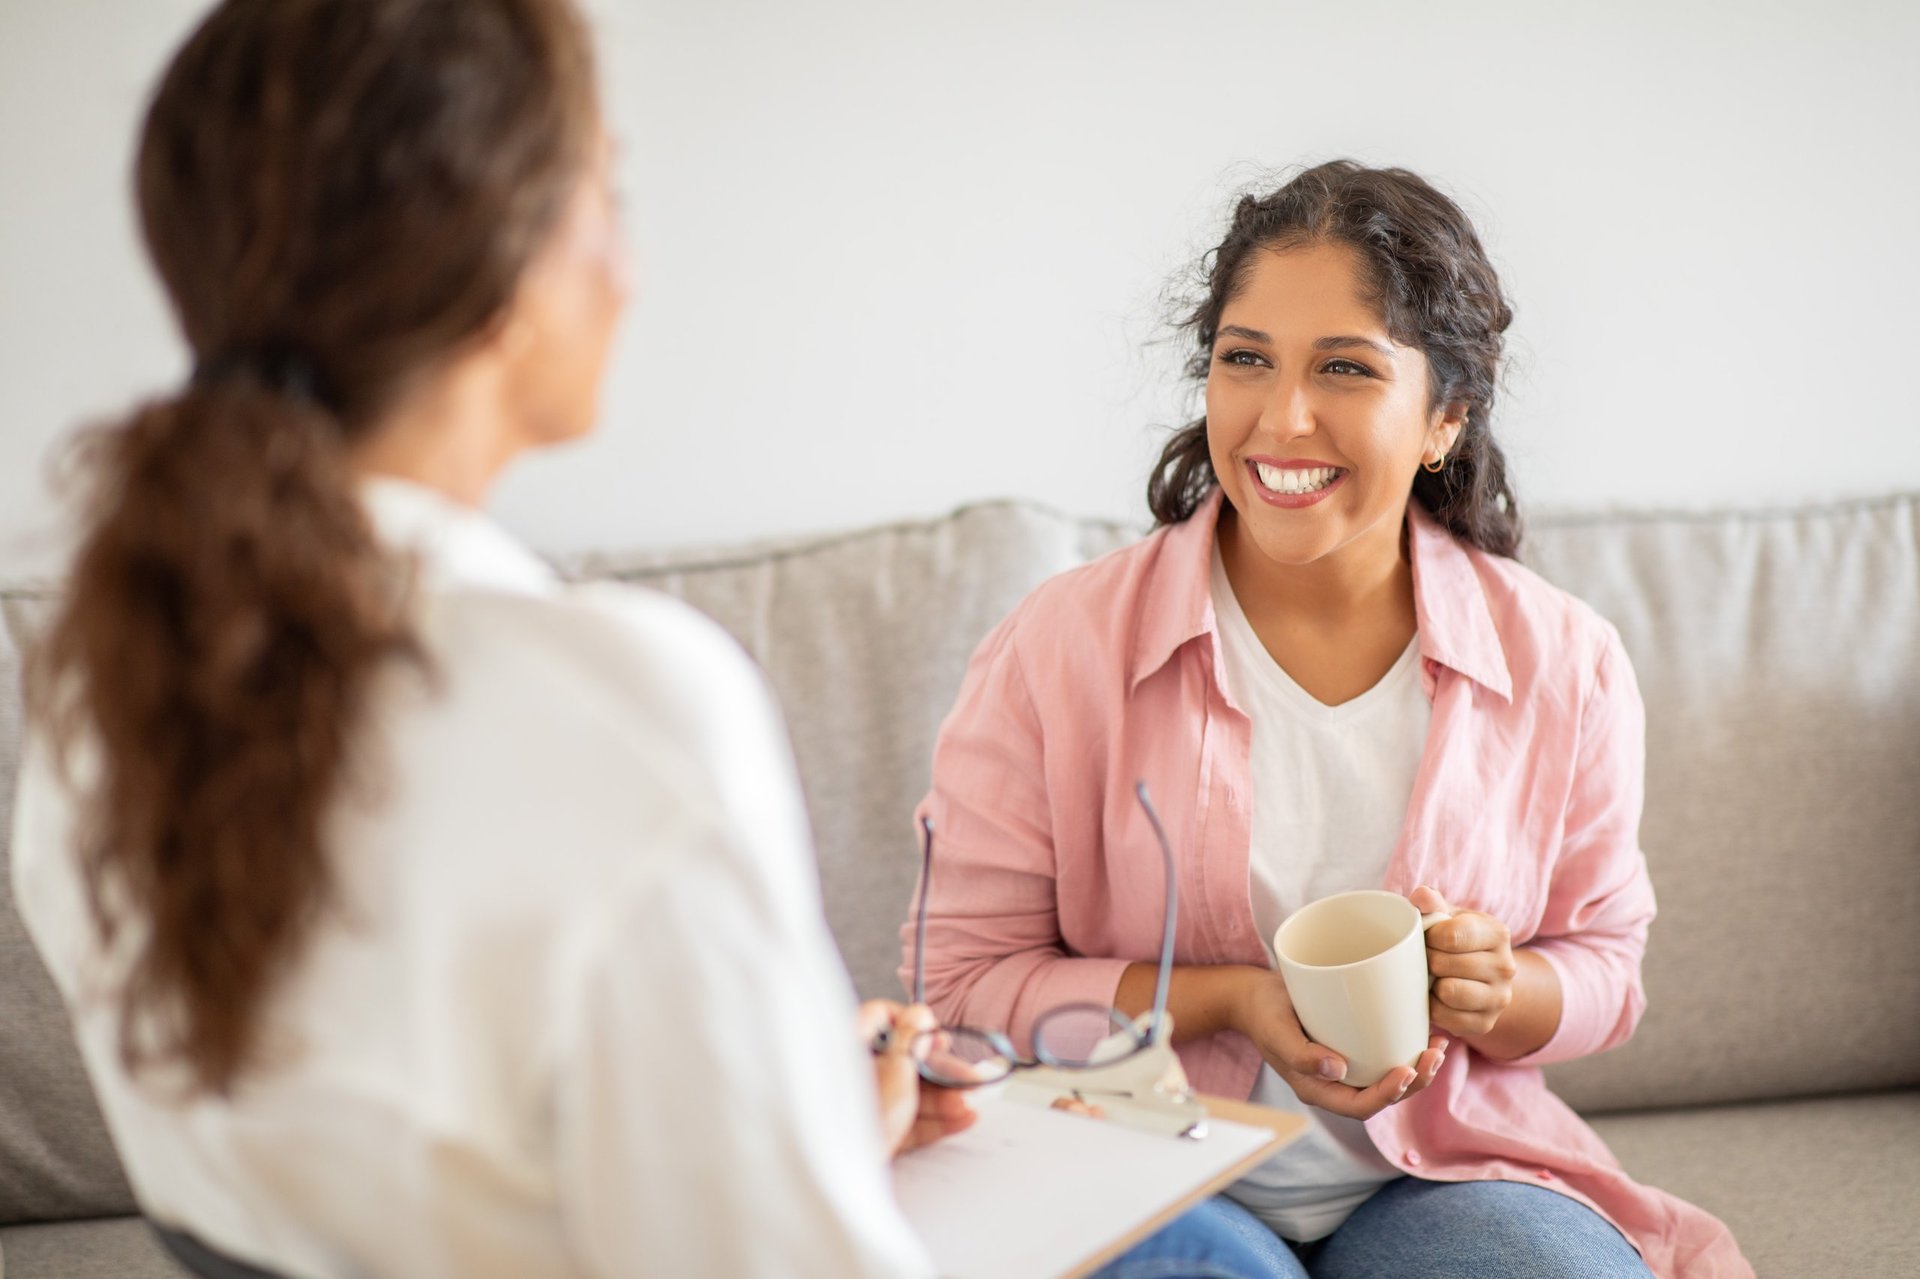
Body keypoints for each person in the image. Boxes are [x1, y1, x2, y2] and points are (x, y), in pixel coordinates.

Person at [11, 2, 1301, 1275]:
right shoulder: (614, 702)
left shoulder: (94, 698)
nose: (628, 267)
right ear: (502, 269)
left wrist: (805, 1128)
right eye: (604, 201)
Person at [904, 161, 1754, 1278]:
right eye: (1244, 358)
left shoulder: (1564, 664)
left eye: (1345, 368)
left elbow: (1606, 966)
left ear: (1444, 415)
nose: (1282, 416)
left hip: (1440, 1174)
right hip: (1142, 1163)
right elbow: (959, 983)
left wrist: (1505, 993)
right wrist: (1232, 1004)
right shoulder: (1058, 649)